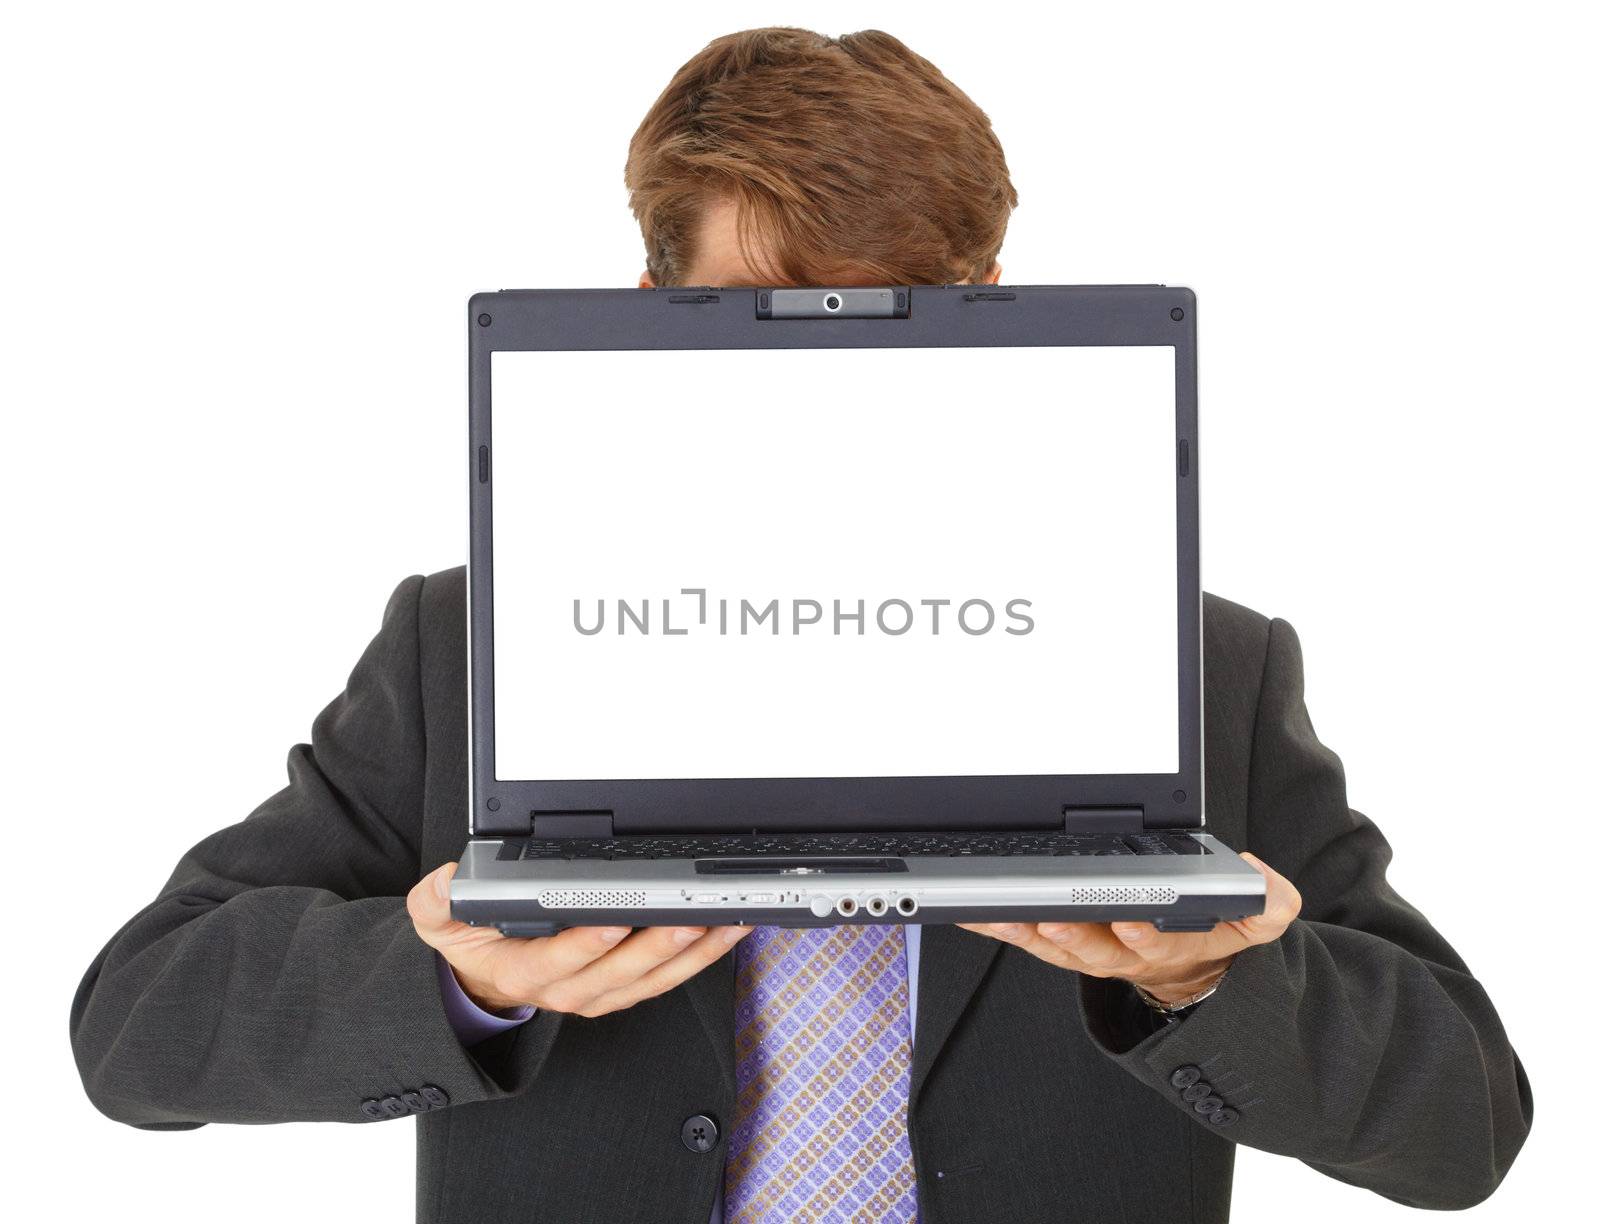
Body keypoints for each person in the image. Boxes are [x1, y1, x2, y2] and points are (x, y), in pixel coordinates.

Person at [70, 26, 1532, 1224]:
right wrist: (454, 978)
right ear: (648, 315)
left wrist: (1214, 979)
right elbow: (137, 1029)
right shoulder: (469, 651)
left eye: (900, 324)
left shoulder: (1198, 667)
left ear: (992, 319)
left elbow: (1464, 1125)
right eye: (761, 325)